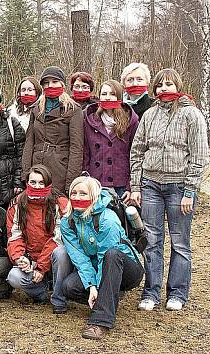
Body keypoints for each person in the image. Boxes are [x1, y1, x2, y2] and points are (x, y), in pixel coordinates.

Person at [130, 68, 209, 312]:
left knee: (180, 242)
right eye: (160, 85)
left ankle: (177, 292)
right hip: (151, 184)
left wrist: (190, 190)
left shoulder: (191, 114)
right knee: (152, 241)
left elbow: (199, 154)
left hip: (179, 186)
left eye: (169, 84)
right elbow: (137, 150)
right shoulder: (150, 114)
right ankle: (151, 292)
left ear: (178, 86)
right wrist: (136, 186)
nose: (164, 89)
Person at [59, 176, 143, 340]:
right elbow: (80, 258)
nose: (77, 197)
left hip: (126, 268)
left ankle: (100, 321)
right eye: (73, 193)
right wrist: (91, 286)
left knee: (111, 254)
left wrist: (98, 286)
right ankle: (109, 297)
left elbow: (105, 256)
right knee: (69, 287)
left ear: (94, 196)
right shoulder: (67, 222)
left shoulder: (107, 219)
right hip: (97, 267)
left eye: (83, 193)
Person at [6, 164, 68, 306]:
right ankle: (41, 294)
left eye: (41, 183)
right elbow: (14, 236)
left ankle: (59, 296)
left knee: (61, 252)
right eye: (33, 182)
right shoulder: (17, 203)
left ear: (48, 184)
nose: (37, 186)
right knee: (14, 276)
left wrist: (42, 267)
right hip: (31, 259)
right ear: (27, 183)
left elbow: (59, 238)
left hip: (54, 260)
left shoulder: (61, 203)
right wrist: (20, 258)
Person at [22, 66, 84, 193]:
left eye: (54, 81)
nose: (50, 85)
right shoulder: (36, 108)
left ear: (62, 84)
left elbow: (76, 148)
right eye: (46, 82)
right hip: (37, 167)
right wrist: (25, 173)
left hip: (60, 167)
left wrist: (71, 182)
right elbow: (29, 143)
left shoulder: (73, 109)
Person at [83, 80, 139, 199]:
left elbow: (135, 154)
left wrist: (130, 187)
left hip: (121, 184)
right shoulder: (89, 120)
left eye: (112, 94)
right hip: (96, 182)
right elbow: (86, 154)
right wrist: (86, 180)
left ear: (119, 96)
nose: (107, 98)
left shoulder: (130, 121)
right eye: (104, 94)